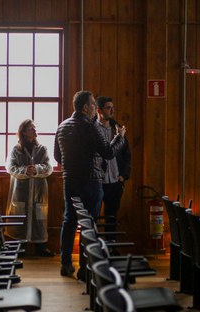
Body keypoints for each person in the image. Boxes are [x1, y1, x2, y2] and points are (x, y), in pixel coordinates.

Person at [54, 90, 126, 277]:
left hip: (69, 179)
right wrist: (120, 137)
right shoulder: (89, 126)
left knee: (69, 220)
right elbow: (108, 153)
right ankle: (85, 268)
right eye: (93, 104)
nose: (95, 108)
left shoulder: (62, 126)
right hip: (91, 180)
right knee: (90, 224)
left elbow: (56, 156)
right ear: (86, 107)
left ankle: (65, 262)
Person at [5, 119, 54, 257]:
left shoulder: (42, 148)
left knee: (39, 217)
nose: (34, 130)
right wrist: (26, 171)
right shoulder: (16, 149)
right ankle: (19, 247)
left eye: (34, 127)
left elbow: (49, 167)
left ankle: (41, 247)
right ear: (24, 132)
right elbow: (10, 167)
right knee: (20, 218)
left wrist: (37, 169)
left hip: (38, 190)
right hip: (20, 190)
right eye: (31, 128)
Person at [95, 96, 131, 238]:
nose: (112, 111)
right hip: (97, 180)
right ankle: (95, 249)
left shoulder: (117, 129)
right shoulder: (93, 130)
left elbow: (126, 155)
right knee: (94, 216)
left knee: (112, 216)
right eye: (108, 108)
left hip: (115, 180)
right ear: (99, 110)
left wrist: (123, 175)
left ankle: (111, 246)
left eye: (113, 108)